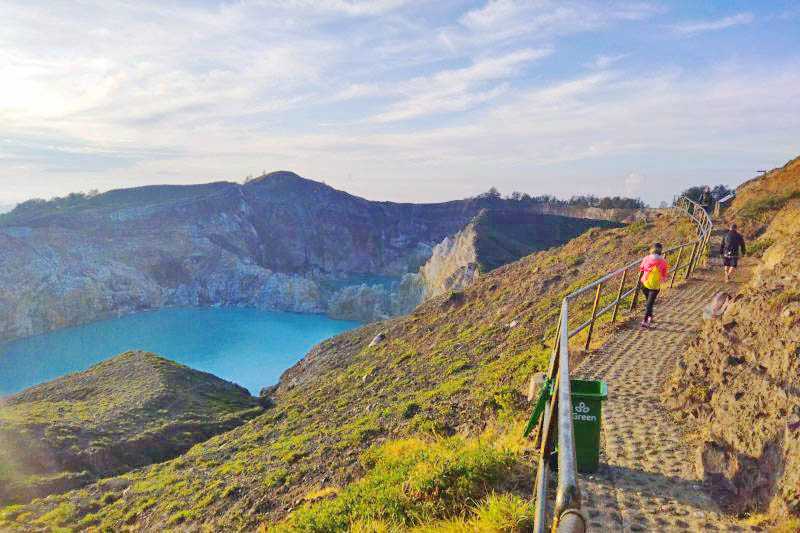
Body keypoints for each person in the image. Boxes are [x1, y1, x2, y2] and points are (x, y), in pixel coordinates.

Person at [638, 243, 669, 328]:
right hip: (655, 286)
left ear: (651, 250)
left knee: (649, 304)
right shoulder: (663, 261)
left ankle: (645, 321)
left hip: (645, 284)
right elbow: (665, 274)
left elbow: (641, 268)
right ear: (661, 251)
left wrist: (648, 268)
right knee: (649, 303)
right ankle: (650, 316)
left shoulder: (646, 258)